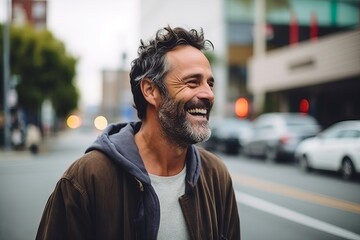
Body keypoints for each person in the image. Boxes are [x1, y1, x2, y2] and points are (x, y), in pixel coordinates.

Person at [36, 26, 240, 240]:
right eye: (192, 82)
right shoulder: (85, 179)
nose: (209, 94)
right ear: (150, 90)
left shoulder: (216, 175)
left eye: (210, 83)